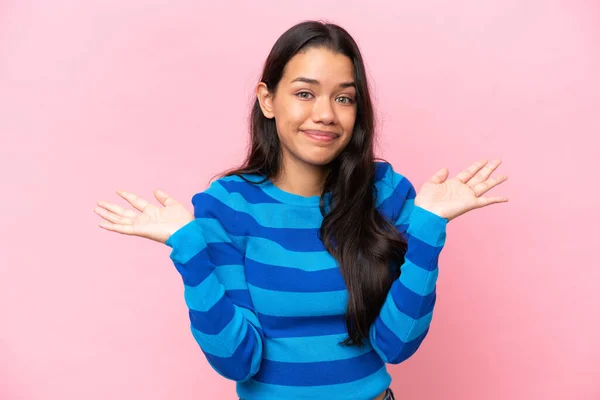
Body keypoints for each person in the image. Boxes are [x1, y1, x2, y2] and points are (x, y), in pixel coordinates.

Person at [94, 20, 508, 400]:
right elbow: (237, 361)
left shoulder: (385, 193)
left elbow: (397, 345)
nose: (326, 114)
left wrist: (428, 230)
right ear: (268, 100)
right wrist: (189, 249)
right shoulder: (228, 206)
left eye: (344, 97)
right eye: (305, 93)